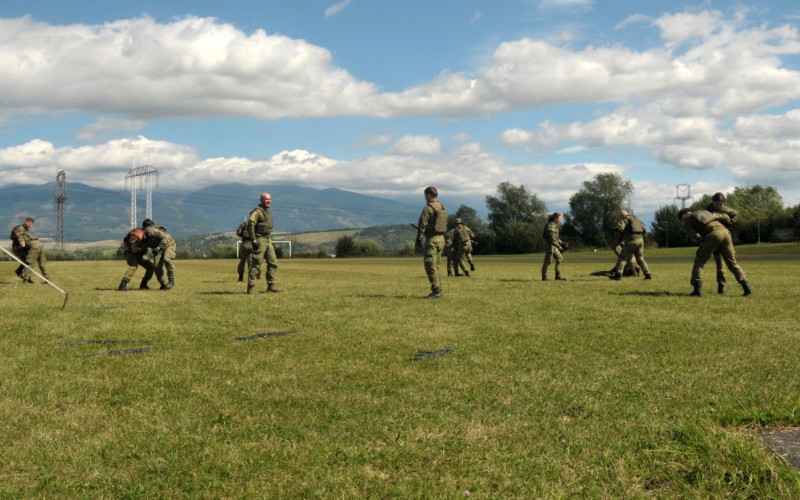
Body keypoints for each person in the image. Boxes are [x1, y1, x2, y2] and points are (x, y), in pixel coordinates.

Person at [678, 208, 752, 297]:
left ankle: (697, 290)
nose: (683, 220)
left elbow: (696, 235)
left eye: (682, 219)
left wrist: (704, 241)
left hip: (714, 234)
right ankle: (747, 288)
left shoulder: (688, 221)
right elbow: (725, 216)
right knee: (732, 263)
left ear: (684, 215)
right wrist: (729, 221)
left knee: (699, 261)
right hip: (726, 232)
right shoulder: (704, 211)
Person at [244, 192, 281, 294]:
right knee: (256, 264)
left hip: (268, 239)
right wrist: (253, 239)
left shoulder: (268, 212)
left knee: (273, 263)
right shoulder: (257, 212)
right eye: (266, 199)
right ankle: (251, 288)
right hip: (259, 240)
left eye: (270, 199)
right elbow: (250, 225)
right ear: (261, 200)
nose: (268, 201)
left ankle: (271, 286)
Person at [415, 186, 448, 298]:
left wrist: (419, 240)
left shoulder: (428, 208)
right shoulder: (442, 207)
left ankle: (436, 291)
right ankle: (438, 288)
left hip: (432, 240)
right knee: (437, 265)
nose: (425, 198)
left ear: (429, 195)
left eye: (425, 195)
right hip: (442, 239)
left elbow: (422, 225)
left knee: (430, 264)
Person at [706, 192, 739, 294]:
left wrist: (732, 220)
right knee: (720, 264)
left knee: (732, 261)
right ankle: (721, 287)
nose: (719, 206)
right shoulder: (707, 211)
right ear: (713, 202)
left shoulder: (725, 209)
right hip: (715, 239)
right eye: (717, 204)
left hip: (726, 237)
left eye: (721, 204)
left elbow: (735, 213)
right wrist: (723, 217)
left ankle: (743, 283)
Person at [608, 210, 652, 280]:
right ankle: (648, 274)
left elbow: (619, 229)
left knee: (622, 257)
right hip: (641, 241)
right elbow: (644, 230)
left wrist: (615, 234)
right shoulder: (637, 220)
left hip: (632, 241)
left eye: (620, 216)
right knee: (640, 259)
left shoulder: (625, 220)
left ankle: (618, 275)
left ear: (622, 216)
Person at [11, 217, 50, 283]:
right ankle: (24, 276)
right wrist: (22, 242)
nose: (31, 226)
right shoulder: (20, 228)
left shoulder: (26, 229)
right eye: (30, 224)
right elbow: (20, 237)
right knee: (29, 261)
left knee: (28, 260)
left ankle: (21, 273)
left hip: (25, 248)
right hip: (18, 248)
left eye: (32, 224)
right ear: (26, 222)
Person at [142, 219, 177, 290]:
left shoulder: (150, 230)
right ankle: (164, 285)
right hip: (159, 248)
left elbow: (164, 237)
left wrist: (158, 248)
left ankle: (171, 281)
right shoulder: (144, 233)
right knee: (157, 266)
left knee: (166, 259)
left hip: (168, 244)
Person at [541, 212, 566, 281]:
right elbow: (552, 239)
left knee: (559, 258)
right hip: (550, 247)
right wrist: (559, 246)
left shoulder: (554, 225)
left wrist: (563, 243)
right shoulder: (550, 226)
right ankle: (544, 276)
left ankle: (557, 276)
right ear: (555, 218)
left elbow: (556, 238)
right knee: (548, 261)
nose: (560, 220)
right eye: (560, 218)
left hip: (554, 246)